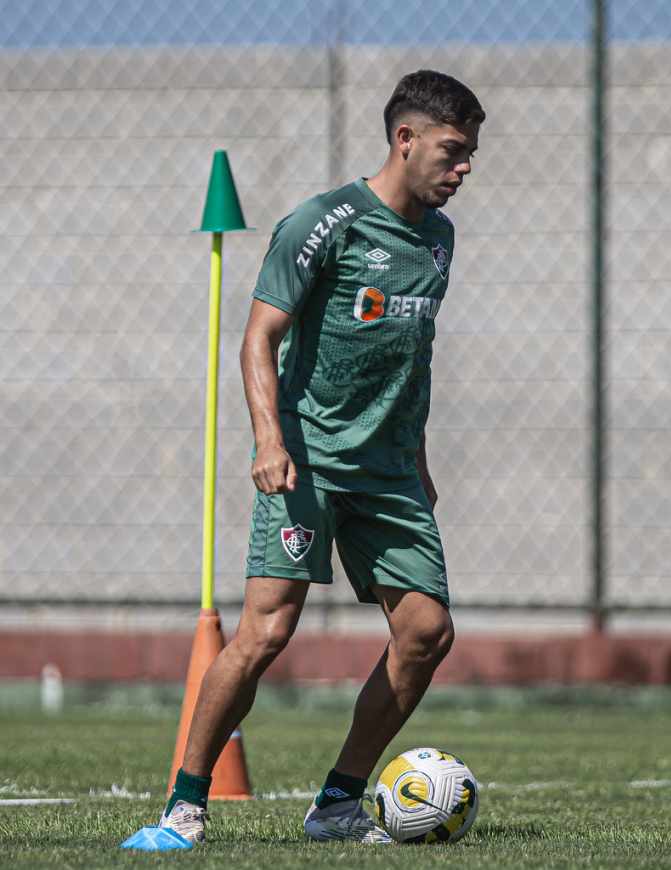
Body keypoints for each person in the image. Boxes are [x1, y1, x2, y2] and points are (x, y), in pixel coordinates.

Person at [160, 68, 484, 844]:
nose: (464, 168)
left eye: (471, 153)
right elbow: (258, 338)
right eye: (452, 151)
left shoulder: (439, 239)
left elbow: (411, 353)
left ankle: (338, 801)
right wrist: (270, 440)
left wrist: (421, 455)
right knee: (267, 632)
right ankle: (185, 802)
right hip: (307, 459)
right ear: (403, 139)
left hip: (391, 469)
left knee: (426, 632)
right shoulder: (325, 220)